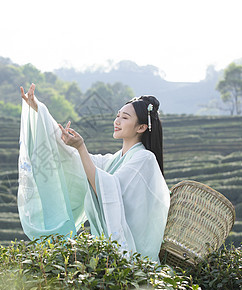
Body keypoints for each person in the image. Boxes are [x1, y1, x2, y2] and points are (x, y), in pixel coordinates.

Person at [17, 83, 170, 262]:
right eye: (117, 116)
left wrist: (81, 147)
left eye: (125, 118)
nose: (117, 121)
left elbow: (107, 190)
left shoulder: (145, 159)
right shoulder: (114, 160)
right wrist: (40, 111)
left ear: (141, 127)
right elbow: (77, 161)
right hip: (108, 254)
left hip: (133, 254)